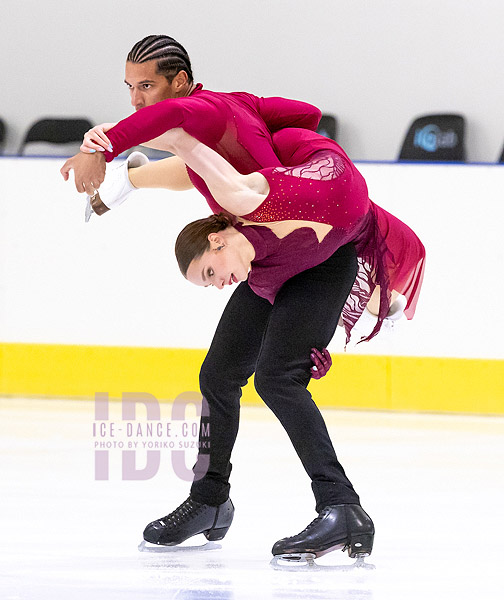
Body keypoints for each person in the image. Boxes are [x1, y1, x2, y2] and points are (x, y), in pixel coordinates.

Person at [122, 125, 424, 560]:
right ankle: (209, 500)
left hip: (324, 264)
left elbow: (197, 165)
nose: (216, 284)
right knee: (218, 374)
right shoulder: (251, 268)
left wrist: (324, 327)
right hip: (272, 271)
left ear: (217, 238)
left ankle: (342, 507)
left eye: (209, 272)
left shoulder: (247, 201)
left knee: (278, 379)